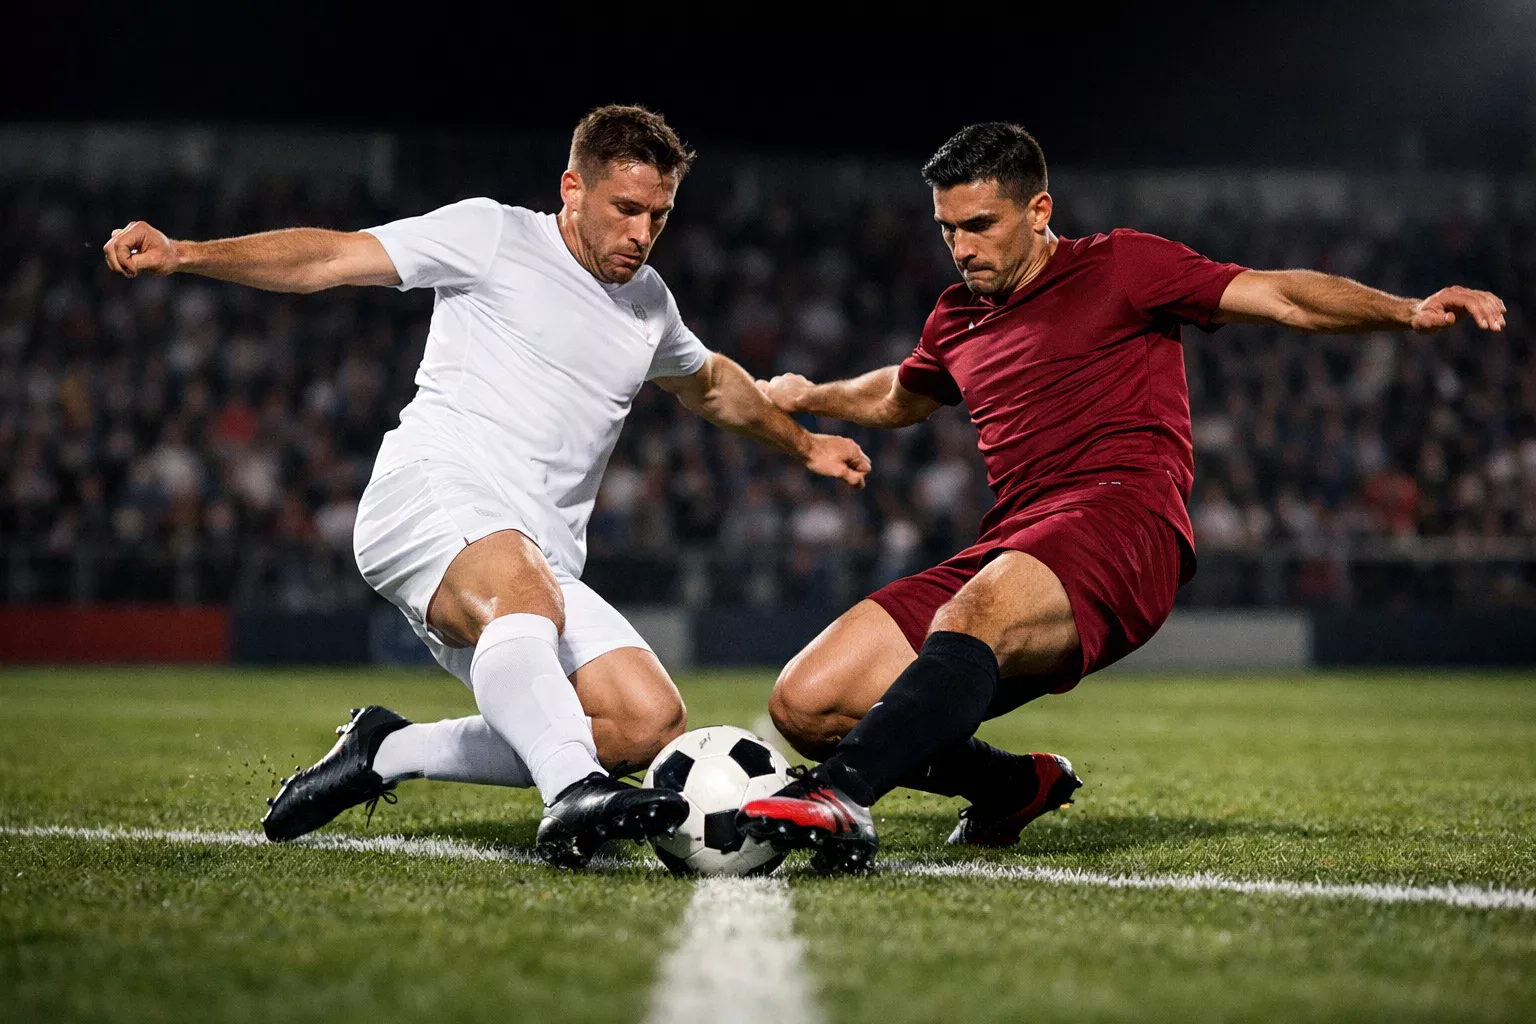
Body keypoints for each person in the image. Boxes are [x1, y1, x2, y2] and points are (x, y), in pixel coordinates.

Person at [102, 105, 870, 869]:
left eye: (659, 217)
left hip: (537, 558)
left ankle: (389, 749)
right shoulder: (495, 235)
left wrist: (802, 445)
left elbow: (712, 386)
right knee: (525, 598)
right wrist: (185, 253)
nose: (642, 233)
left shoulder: (648, 304)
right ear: (572, 187)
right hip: (431, 494)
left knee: (643, 722)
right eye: (626, 209)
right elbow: (330, 259)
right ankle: (571, 794)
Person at [738, 122, 1506, 873]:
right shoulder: (956, 315)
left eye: (980, 225)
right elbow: (901, 395)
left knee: (968, 617)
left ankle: (840, 796)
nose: (963, 248)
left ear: (1039, 211)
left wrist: (1403, 309)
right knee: (808, 703)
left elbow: (1280, 296)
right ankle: (1010, 786)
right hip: (1013, 537)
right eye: (947, 230)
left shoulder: (1122, 265)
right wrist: (815, 396)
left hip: (1123, 519)